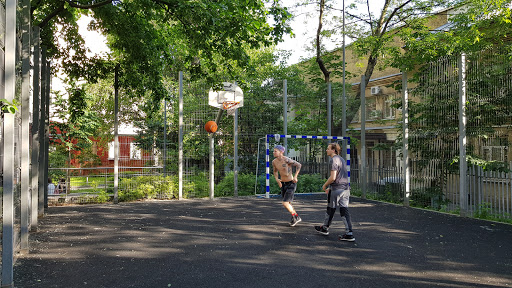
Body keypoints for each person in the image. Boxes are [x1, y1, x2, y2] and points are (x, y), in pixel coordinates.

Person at [314, 143, 355, 241]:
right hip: (345, 188)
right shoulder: (342, 159)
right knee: (344, 210)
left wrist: (325, 185)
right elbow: (341, 176)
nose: (326, 150)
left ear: (333, 150)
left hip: (337, 189)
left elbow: (333, 177)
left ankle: (325, 228)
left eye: (328, 149)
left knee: (331, 209)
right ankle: (349, 233)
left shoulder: (333, 160)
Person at [272, 145, 302, 226]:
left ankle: (295, 216)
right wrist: (277, 179)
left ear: (281, 152)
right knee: (288, 203)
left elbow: (299, 165)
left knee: (285, 203)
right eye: (273, 151)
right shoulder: (274, 162)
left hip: (291, 183)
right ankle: (296, 217)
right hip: (283, 184)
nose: (273, 152)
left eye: (275, 151)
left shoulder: (287, 160)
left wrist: (295, 176)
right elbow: (275, 171)